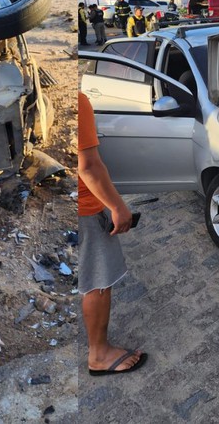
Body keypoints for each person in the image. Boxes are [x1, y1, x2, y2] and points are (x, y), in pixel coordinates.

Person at [78, 91, 145, 375]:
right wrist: (117, 206)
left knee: (88, 274)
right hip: (85, 206)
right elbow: (89, 166)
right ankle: (99, 354)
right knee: (98, 279)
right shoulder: (78, 101)